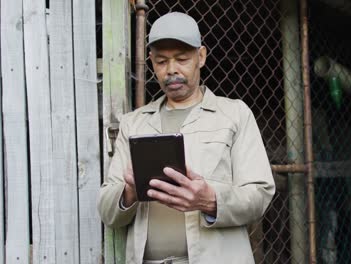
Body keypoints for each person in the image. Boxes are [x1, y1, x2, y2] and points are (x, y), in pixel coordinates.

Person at [97, 12, 275, 264]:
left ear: (200, 57)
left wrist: (211, 200)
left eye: (182, 59)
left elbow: (260, 194)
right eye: (161, 61)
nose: (171, 70)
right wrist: (129, 192)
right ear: (151, 61)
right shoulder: (134, 123)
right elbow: (106, 209)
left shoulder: (233, 114)